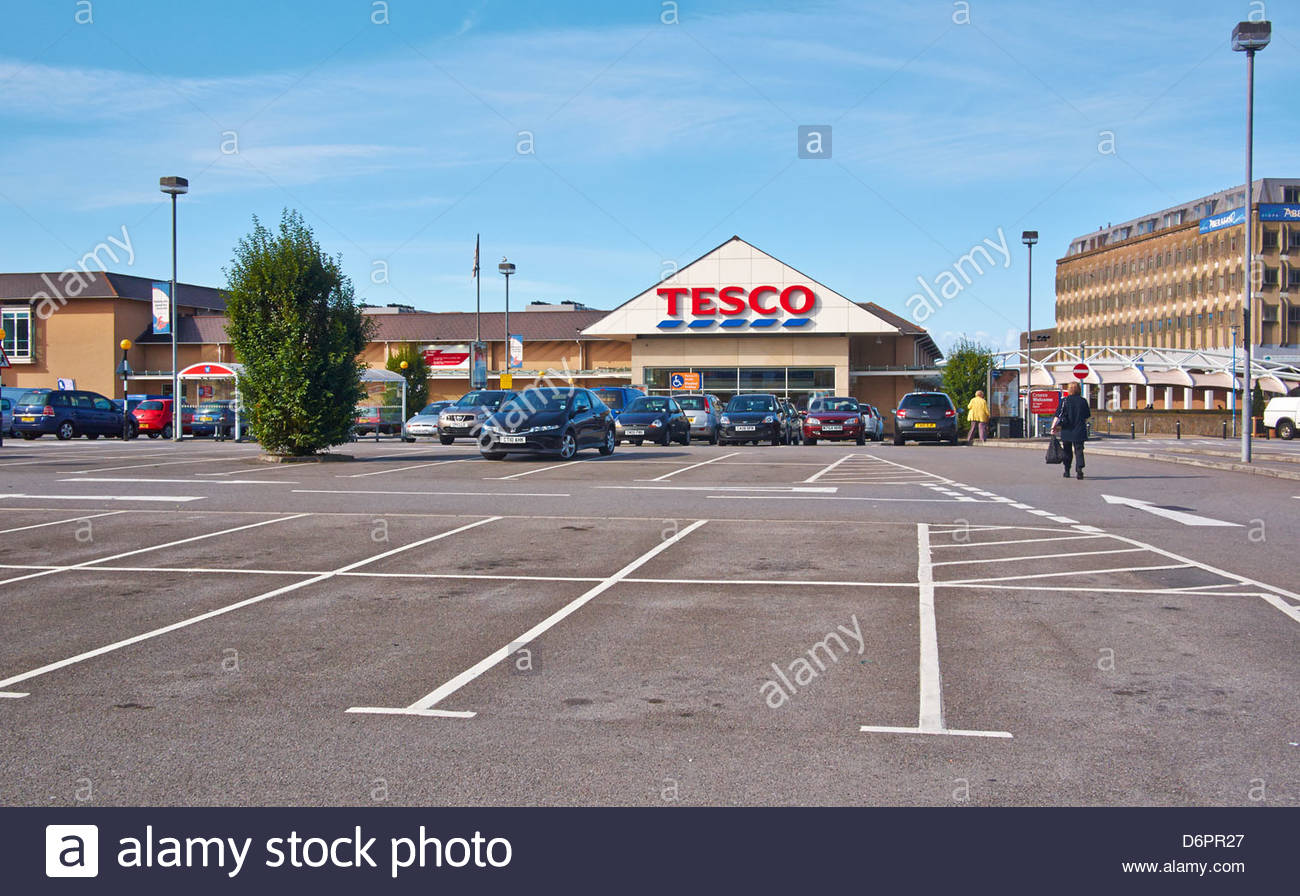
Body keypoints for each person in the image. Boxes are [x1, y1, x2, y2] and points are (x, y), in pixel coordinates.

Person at [1054, 382, 1091, 479]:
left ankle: (1067, 470)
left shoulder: (1064, 401)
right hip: (1079, 429)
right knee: (1079, 450)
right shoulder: (1083, 401)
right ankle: (1079, 470)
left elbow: (1058, 415)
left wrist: (1054, 427)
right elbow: (1087, 415)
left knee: (1067, 450)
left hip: (1067, 429)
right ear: (1079, 389)